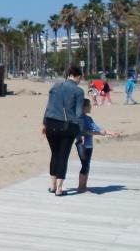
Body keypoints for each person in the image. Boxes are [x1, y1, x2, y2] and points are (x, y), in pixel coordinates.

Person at [43, 66, 85, 196]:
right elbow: (78, 114)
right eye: (80, 78)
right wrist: (80, 133)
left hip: (50, 122)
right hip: (67, 125)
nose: (80, 80)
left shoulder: (55, 87)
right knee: (63, 155)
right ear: (77, 76)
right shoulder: (78, 91)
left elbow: (48, 106)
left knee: (54, 153)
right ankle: (59, 189)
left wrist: (44, 123)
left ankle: (52, 185)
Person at [76, 98, 120, 193]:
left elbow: (97, 128)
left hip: (89, 145)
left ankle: (84, 186)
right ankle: (80, 187)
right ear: (84, 107)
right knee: (85, 165)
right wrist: (99, 133)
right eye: (89, 105)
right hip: (82, 144)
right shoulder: (79, 118)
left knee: (87, 165)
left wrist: (110, 133)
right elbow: (84, 132)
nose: (91, 107)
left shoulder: (88, 118)